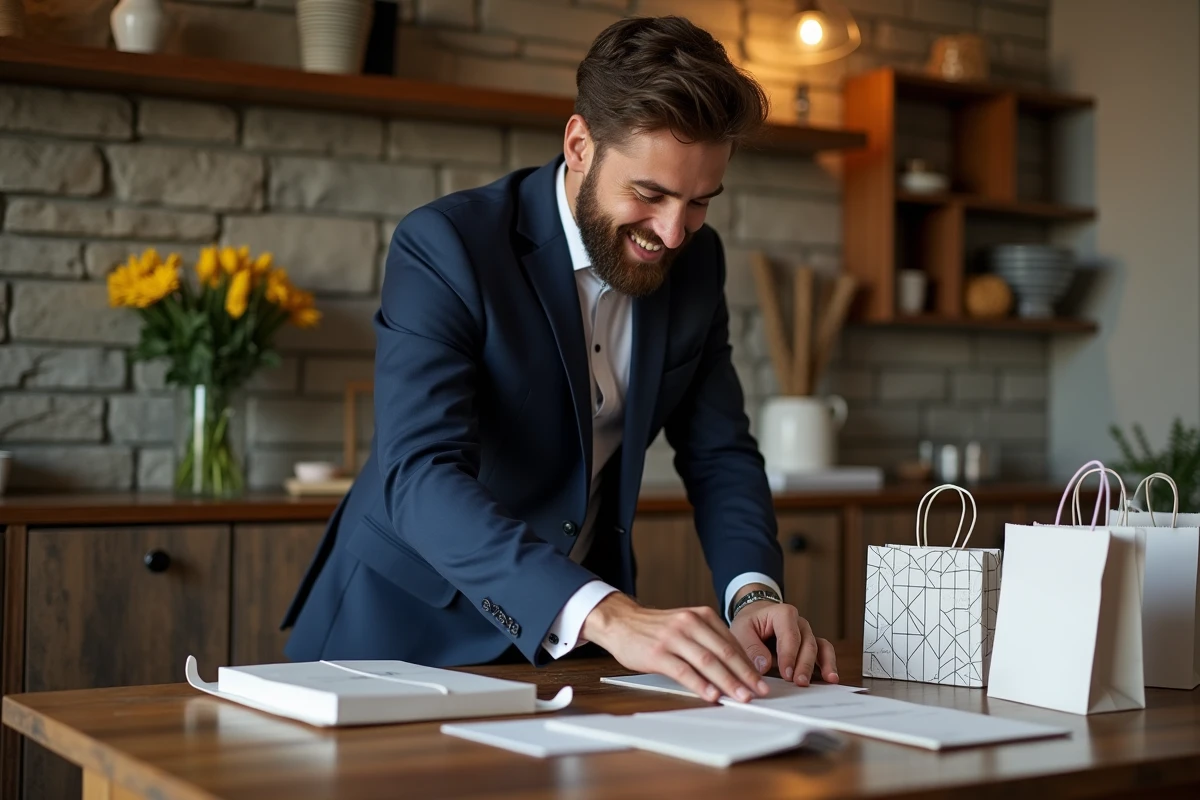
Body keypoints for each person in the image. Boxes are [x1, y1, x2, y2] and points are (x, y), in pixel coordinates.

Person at [282, 14, 838, 704]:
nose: (672, 233)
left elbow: (719, 451)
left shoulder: (700, 265)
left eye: (699, 203)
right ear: (580, 145)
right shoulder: (446, 245)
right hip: (397, 638)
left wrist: (752, 593)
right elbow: (421, 474)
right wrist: (606, 612)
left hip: (567, 661)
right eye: (649, 193)